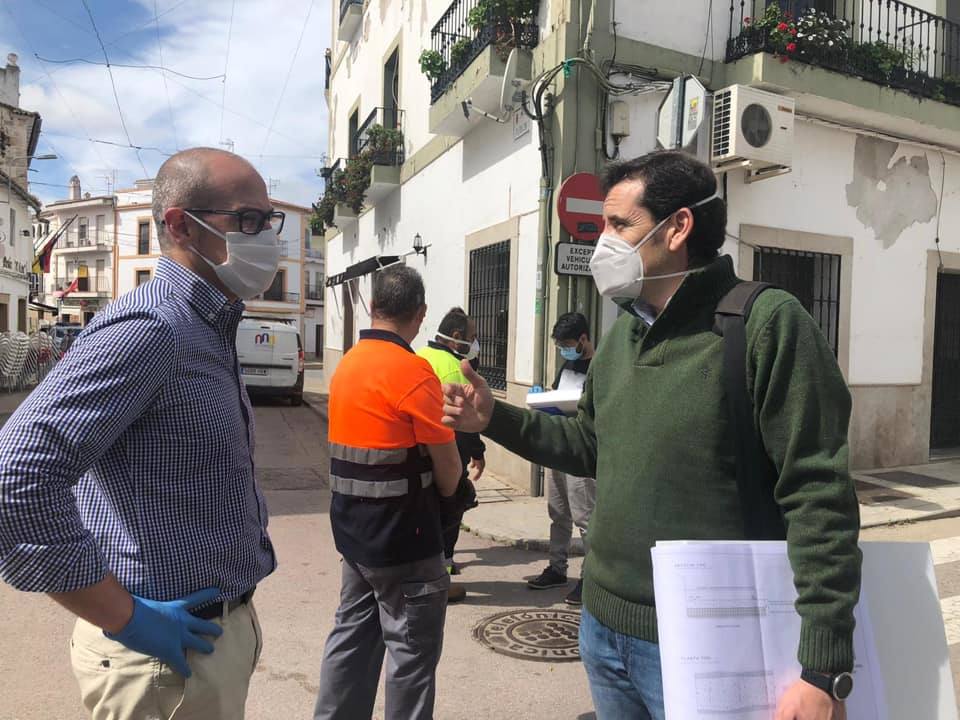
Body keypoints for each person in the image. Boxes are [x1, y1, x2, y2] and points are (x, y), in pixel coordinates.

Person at [442, 150, 861, 720]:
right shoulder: (621, 337)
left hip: (708, 641)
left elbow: (820, 498)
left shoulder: (767, 324)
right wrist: (496, 418)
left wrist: (823, 666)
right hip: (602, 627)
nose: (603, 245)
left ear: (677, 228)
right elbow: (588, 445)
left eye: (619, 226)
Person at [0, 147, 281, 719]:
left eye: (268, 222)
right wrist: (124, 616)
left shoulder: (209, 327)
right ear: (181, 225)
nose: (266, 239)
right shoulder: (153, 329)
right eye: (248, 220)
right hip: (161, 661)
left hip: (212, 638)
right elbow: (18, 472)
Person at [314, 265, 462, 720]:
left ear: (373, 308)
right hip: (406, 542)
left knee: (351, 642)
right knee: (411, 657)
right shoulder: (414, 373)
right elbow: (450, 473)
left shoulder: (347, 367)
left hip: (355, 538)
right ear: (419, 315)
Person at [416, 307, 486, 604]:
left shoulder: (419, 357)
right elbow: (466, 420)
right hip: (448, 453)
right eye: (471, 337)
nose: (474, 343)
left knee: (425, 515)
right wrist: (478, 453)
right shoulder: (454, 366)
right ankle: (441, 579)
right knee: (450, 514)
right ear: (456, 338)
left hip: (418, 454)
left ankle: (421, 573)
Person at [526, 312, 596, 607]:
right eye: (560, 346)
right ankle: (557, 568)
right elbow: (559, 394)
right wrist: (545, 399)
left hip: (581, 454)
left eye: (567, 344)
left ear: (583, 339)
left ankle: (591, 578)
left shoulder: (599, 366)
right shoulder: (569, 365)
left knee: (585, 518)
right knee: (558, 512)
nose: (564, 350)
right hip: (559, 449)